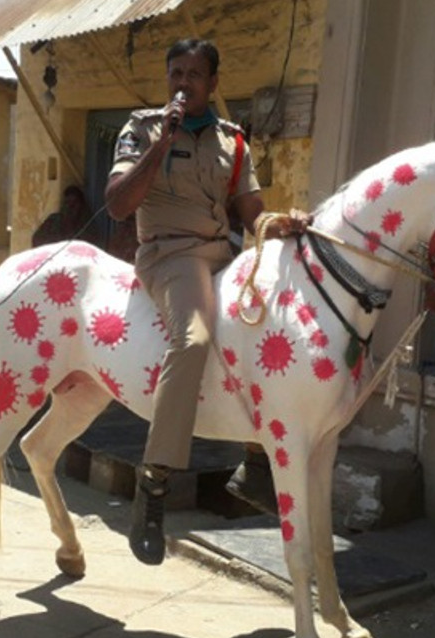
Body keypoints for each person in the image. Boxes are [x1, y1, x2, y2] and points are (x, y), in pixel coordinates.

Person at [106, 38, 272, 564]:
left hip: (224, 253)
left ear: (213, 83)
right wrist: (164, 140)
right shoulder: (142, 128)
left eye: (195, 74)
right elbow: (116, 205)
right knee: (194, 337)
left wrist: (282, 225)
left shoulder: (234, 141)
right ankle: (153, 484)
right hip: (171, 256)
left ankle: (257, 460)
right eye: (175, 71)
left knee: (275, 328)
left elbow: (252, 213)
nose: (183, 81)